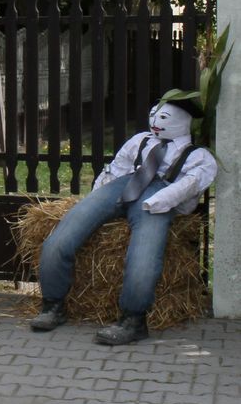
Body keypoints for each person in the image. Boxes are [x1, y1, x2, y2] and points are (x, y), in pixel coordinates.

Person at [30, 95, 217, 345]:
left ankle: (133, 319)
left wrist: (160, 201)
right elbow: (117, 167)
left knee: (145, 253)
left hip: (159, 196)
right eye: (154, 114)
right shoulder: (140, 140)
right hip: (124, 185)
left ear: (182, 122)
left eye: (164, 116)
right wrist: (96, 197)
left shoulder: (198, 156)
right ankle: (53, 304)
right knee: (66, 230)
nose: (155, 121)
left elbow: (190, 184)